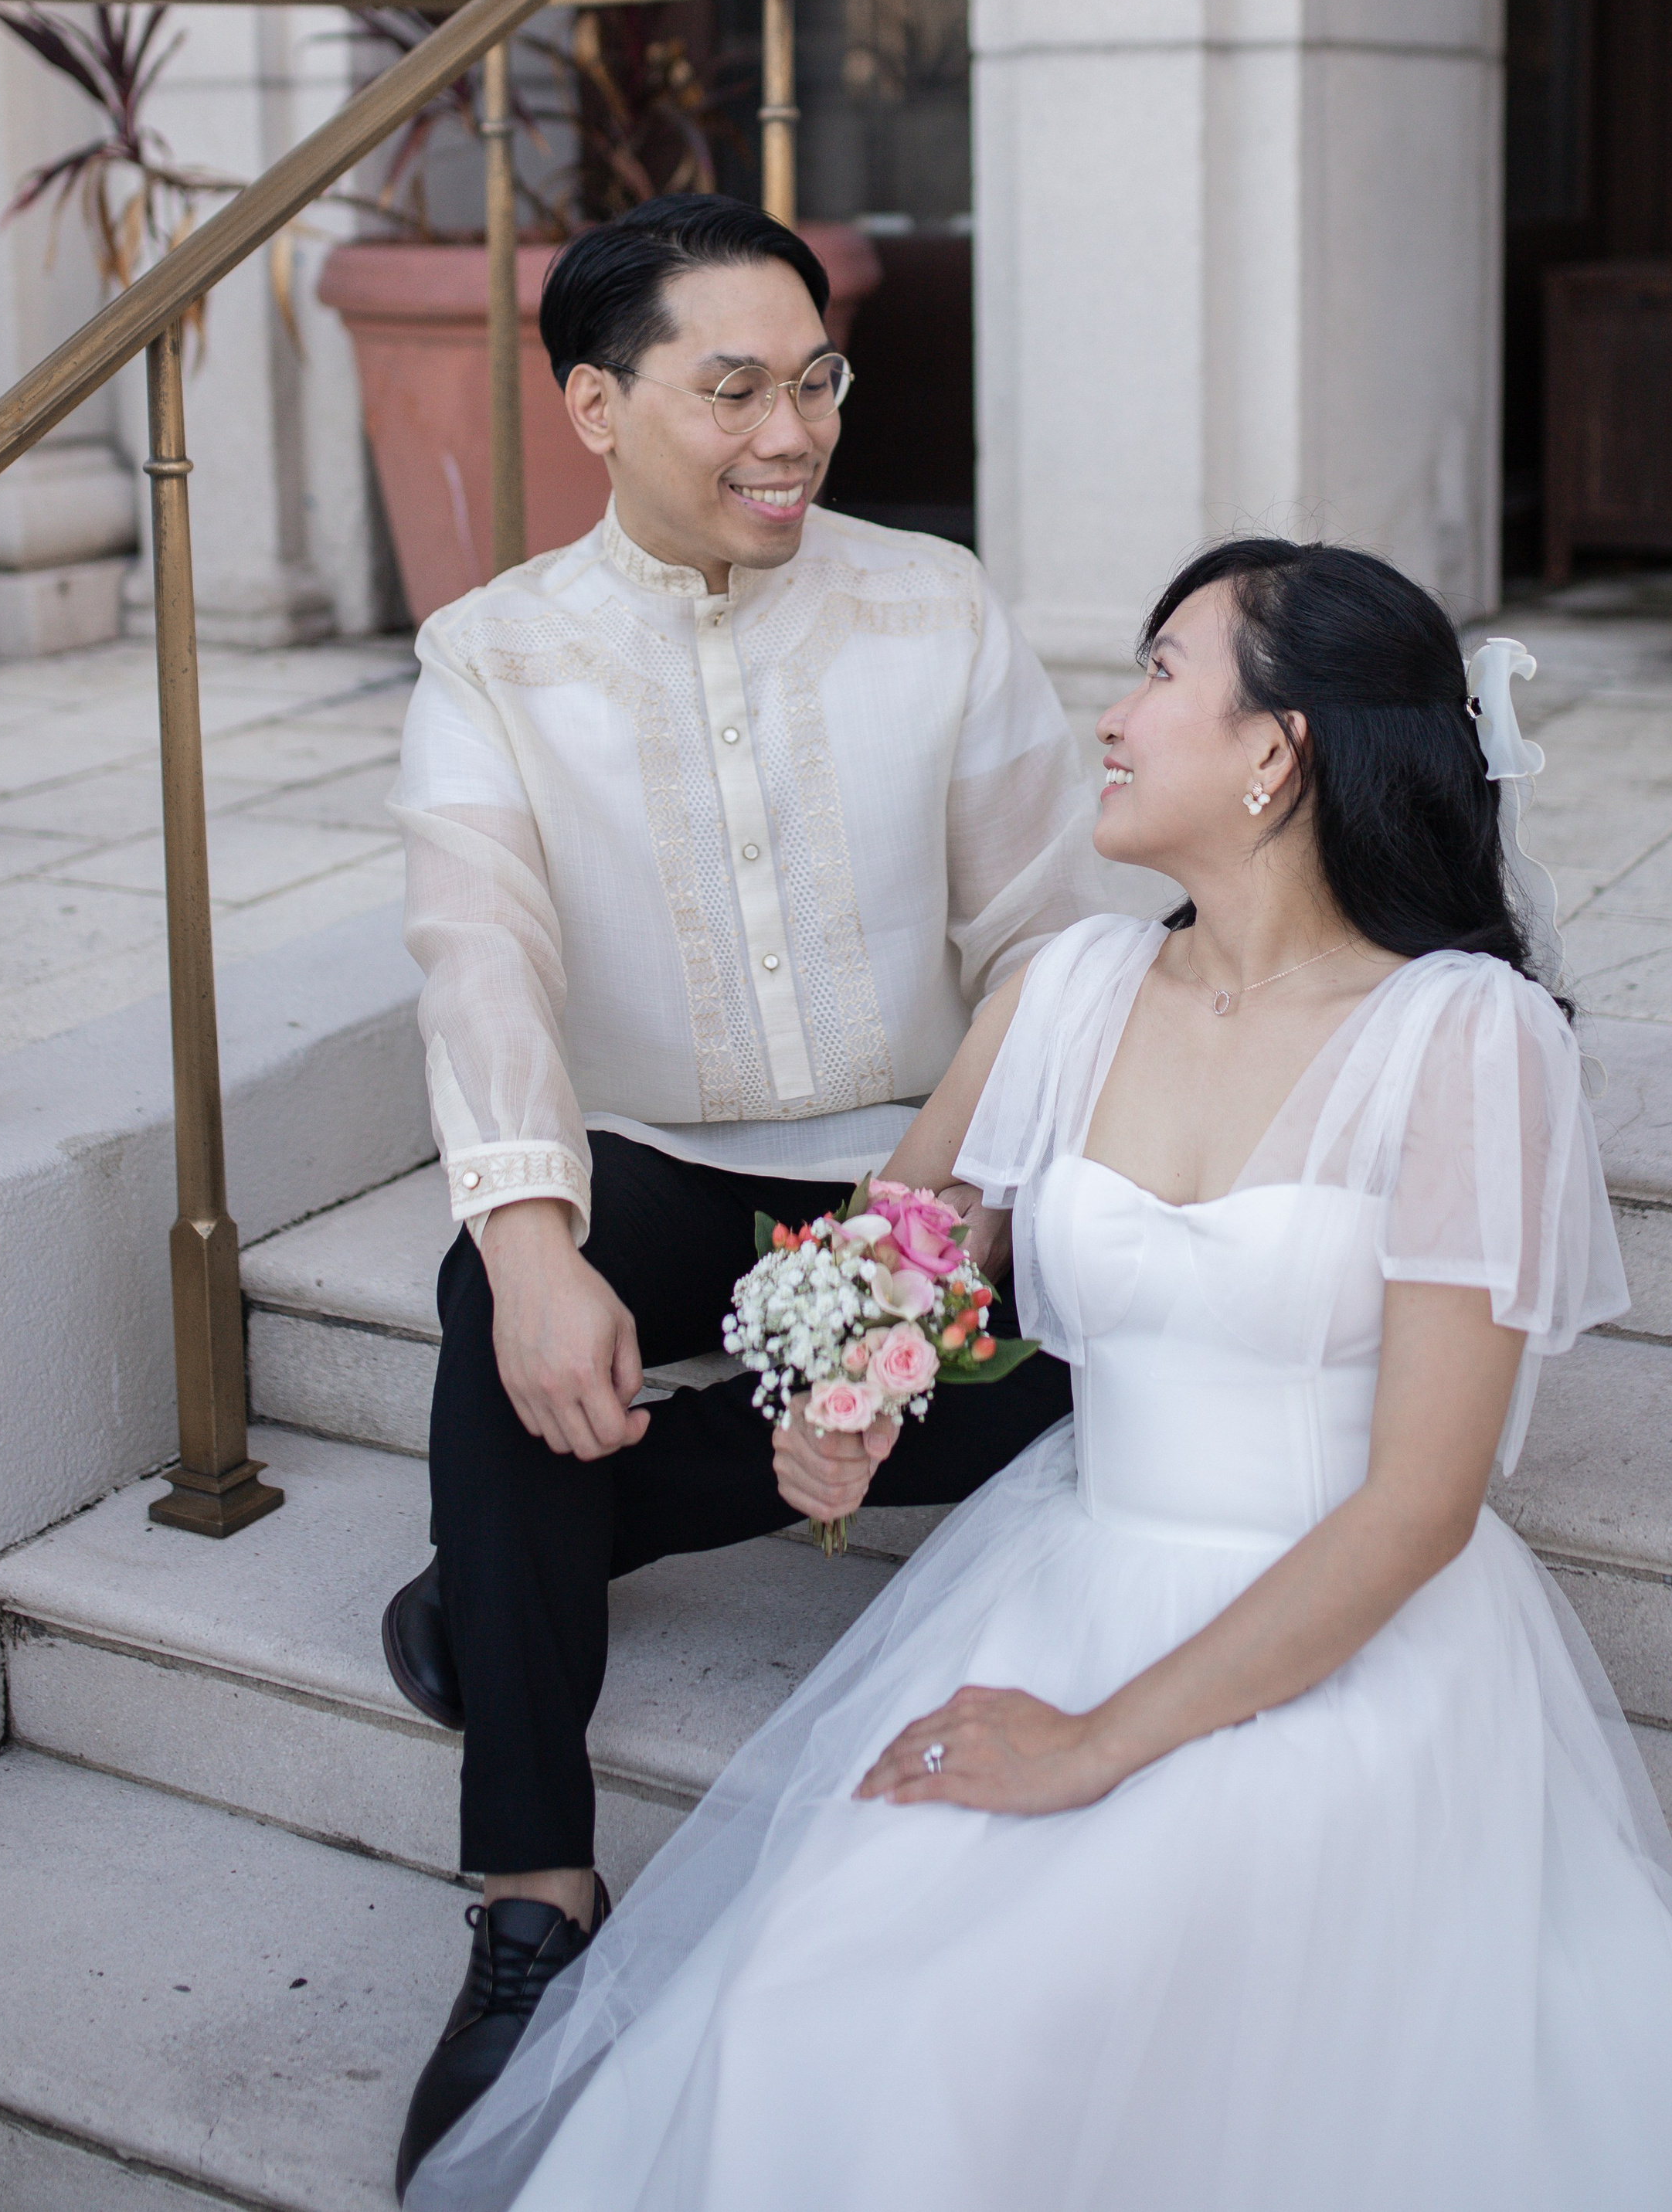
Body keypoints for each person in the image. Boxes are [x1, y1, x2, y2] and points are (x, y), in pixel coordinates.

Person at [404, 536, 1672, 2212]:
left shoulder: (1460, 1042)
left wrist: (1091, 1746)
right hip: (1058, 1571)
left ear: (1274, 750)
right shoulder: (1068, 992)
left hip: (1336, 1636)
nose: (1111, 713)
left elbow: (1419, 1505)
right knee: (827, 2013)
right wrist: (840, 1409)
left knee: (1025, 2033)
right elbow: (900, 1254)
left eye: (1161, 670)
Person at [383, 195, 1105, 2195]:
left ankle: (517, 1552)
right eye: (734, 389)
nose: (791, 429)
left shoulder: (933, 604)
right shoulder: (492, 654)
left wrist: (935, 1214)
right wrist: (533, 1245)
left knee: (1096, 1360)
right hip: (655, 1166)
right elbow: (482, 955)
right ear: (595, 403)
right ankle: (534, 1893)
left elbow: (1046, 943)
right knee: (492, 1298)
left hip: (913, 1155)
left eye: (818, 379)